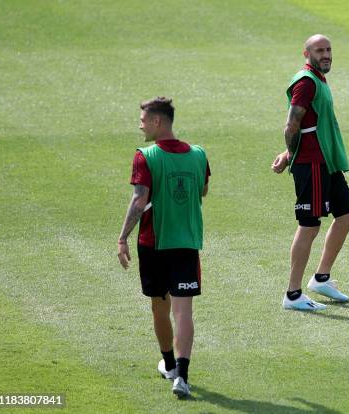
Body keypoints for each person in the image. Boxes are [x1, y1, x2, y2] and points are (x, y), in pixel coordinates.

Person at [117, 97, 210, 398]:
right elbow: (203, 189)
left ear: (158, 121)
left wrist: (122, 238)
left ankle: (169, 364)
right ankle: (181, 376)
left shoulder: (145, 155)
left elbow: (139, 200)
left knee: (160, 306)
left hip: (153, 244)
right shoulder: (198, 154)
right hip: (186, 243)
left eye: (143, 119)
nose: (140, 124)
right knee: (184, 311)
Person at [271, 34, 349, 311]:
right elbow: (291, 125)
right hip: (312, 164)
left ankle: (321, 278)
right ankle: (292, 294)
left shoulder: (318, 79)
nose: (326, 54)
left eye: (329, 49)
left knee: (347, 216)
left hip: (326, 162)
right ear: (306, 53)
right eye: (320, 50)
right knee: (309, 225)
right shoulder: (306, 82)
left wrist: (287, 154)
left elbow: (308, 124)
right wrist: (291, 155)